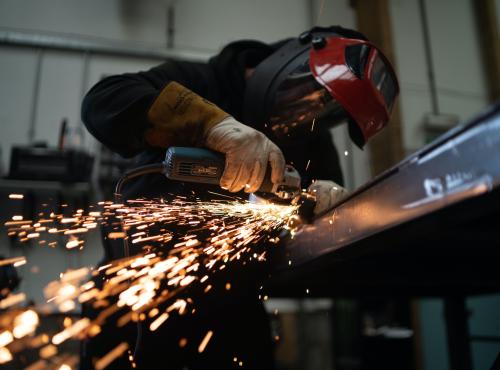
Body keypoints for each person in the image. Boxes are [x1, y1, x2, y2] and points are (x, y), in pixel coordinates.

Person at [80, 26, 399, 369]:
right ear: (288, 62)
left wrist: (326, 206)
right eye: (312, 97)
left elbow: (323, 212)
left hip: (233, 306)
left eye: (327, 111)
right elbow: (103, 100)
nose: (309, 113)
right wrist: (211, 125)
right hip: (136, 292)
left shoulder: (310, 136)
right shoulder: (202, 81)